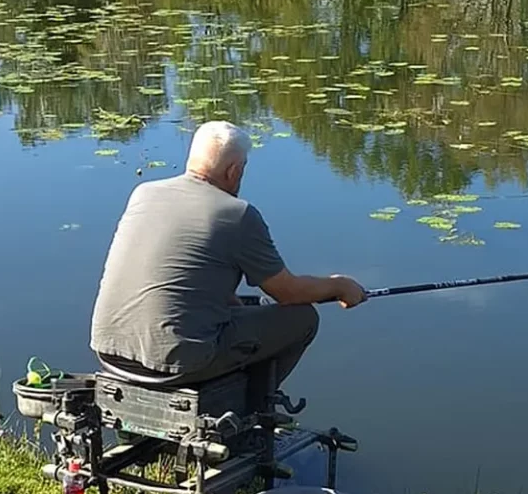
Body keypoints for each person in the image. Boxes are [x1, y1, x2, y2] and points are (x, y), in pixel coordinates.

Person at [91, 120, 366, 399]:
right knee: (302, 318)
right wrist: (340, 286)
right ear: (234, 170)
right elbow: (288, 292)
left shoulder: (144, 194)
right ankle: (252, 409)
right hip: (175, 364)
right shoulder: (237, 214)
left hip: (108, 353)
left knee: (243, 305)